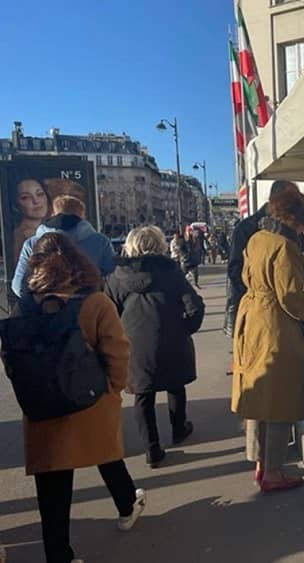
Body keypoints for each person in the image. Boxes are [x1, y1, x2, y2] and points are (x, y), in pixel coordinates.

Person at [19, 232, 145, 562]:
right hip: (90, 399)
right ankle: (127, 506)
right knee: (107, 454)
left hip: (43, 403)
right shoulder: (95, 301)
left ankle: (59, 555)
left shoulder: (27, 304)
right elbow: (117, 352)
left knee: (52, 486)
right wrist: (114, 389)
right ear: (79, 261)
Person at [232, 190, 304, 492]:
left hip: (253, 320)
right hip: (275, 325)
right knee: (279, 399)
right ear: (294, 219)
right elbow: (290, 298)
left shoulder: (258, 237)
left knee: (262, 397)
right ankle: (273, 473)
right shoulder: (284, 246)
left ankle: (263, 465)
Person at [106, 226, 204, 468]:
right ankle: (179, 429)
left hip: (133, 346)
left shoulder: (116, 277)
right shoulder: (172, 273)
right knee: (175, 386)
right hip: (172, 340)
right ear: (160, 245)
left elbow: (108, 313)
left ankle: (152, 450)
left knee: (143, 396)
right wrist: (185, 329)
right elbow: (195, 307)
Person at [225, 180, 304, 337]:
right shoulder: (257, 233)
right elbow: (289, 297)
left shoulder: (281, 235)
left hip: (265, 315)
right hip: (268, 319)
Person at [12, 195, 116, 299]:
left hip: (44, 309)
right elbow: (111, 281)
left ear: (53, 214)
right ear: (82, 215)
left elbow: (18, 286)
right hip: (87, 307)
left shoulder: (32, 244)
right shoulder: (100, 242)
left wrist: (39, 300)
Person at [10, 178, 50, 257]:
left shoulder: (47, 229)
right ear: (15, 205)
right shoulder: (21, 236)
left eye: (40, 194)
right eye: (25, 197)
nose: (36, 201)